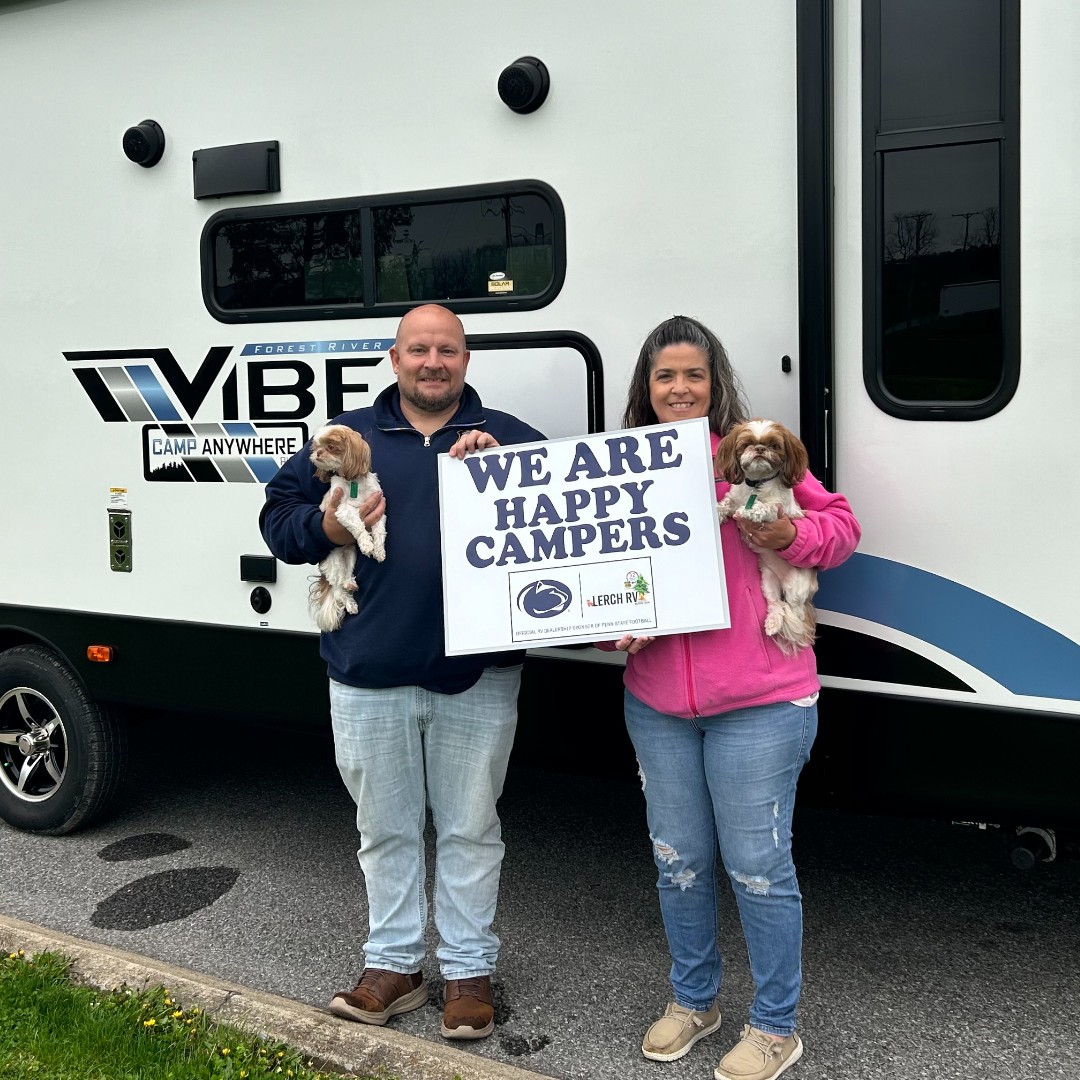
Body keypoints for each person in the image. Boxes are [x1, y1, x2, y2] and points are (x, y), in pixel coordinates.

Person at [259, 304, 543, 1041]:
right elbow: (276, 517)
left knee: (471, 828)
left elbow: (564, 545)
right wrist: (323, 526)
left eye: (446, 350)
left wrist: (504, 478)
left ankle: (470, 970)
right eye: (418, 350)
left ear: (466, 359)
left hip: (478, 674)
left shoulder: (510, 440)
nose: (432, 363)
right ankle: (394, 965)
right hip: (365, 670)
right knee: (383, 828)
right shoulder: (346, 437)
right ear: (394, 358)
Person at [602, 315, 859, 1080]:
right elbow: (601, 581)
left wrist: (788, 539)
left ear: (715, 384)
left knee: (757, 866)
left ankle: (776, 1026)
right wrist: (613, 625)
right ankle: (695, 1000)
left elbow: (841, 528)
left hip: (762, 700)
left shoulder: (753, 453)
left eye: (694, 375)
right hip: (656, 704)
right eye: (664, 376)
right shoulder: (622, 468)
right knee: (677, 862)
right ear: (644, 389)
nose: (679, 388)